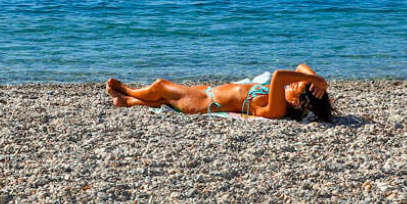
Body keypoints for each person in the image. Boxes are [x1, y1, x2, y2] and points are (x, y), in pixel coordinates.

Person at [106, 63, 336, 122]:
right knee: (164, 100)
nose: (291, 85)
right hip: (208, 92)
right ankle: (126, 102)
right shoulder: (283, 99)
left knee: (160, 87)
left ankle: (126, 90)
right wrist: (318, 80)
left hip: (205, 102)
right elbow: (300, 67)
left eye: (295, 87)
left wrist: (314, 80)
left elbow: (280, 75)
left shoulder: (276, 108)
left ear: (298, 103)